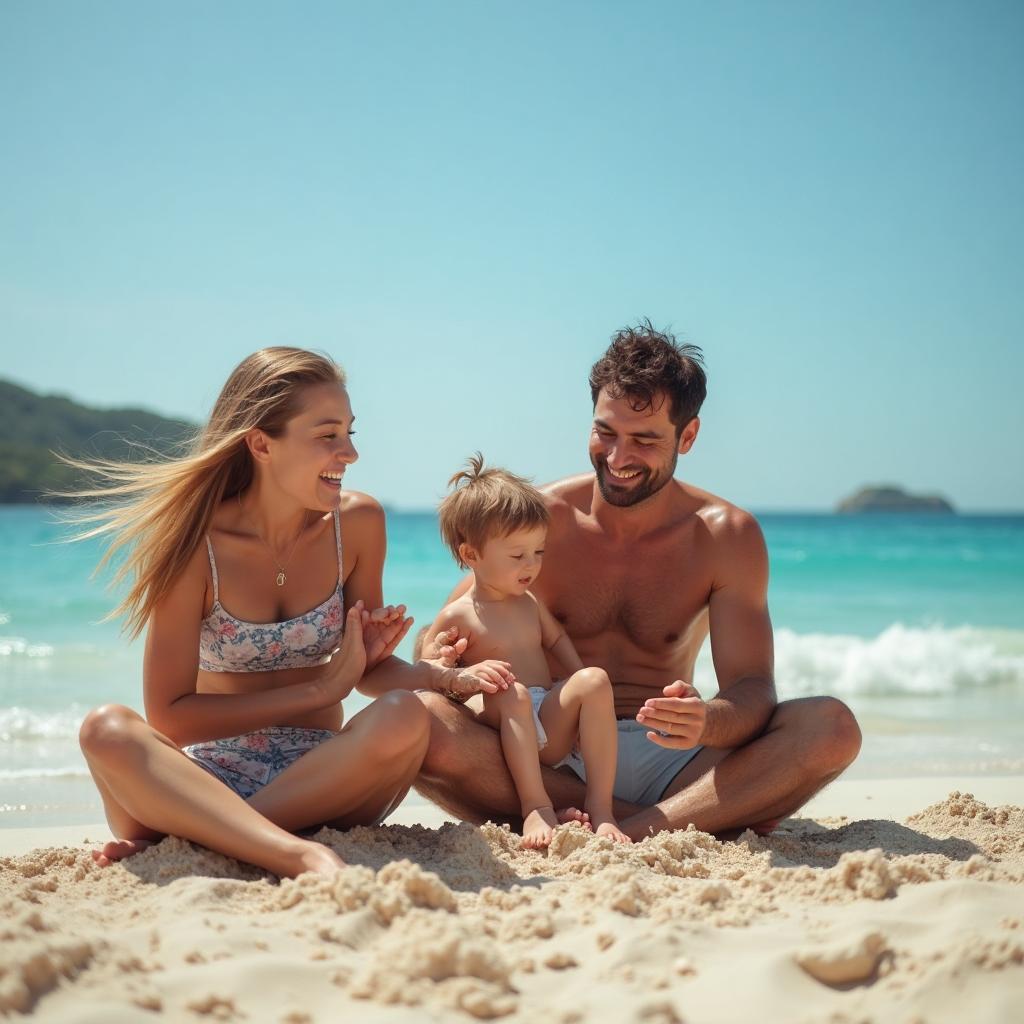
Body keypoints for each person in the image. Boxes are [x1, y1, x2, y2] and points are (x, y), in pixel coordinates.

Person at [412, 322, 862, 841]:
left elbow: (754, 689)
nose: (618, 457)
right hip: (554, 757)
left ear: (687, 436)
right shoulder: (540, 521)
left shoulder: (725, 536)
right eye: (606, 432)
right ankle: (680, 818)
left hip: (672, 761)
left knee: (831, 727)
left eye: (645, 440)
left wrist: (706, 720)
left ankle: (633, 823)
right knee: (421, 719)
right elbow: (446, 633)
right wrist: (442, 659)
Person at [72, 347, 438, 878]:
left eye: (350, 434)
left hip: (325, 775)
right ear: (262, 444)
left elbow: (371, 678)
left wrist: (421, 671)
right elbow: (170, 718)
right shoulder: (195, 545)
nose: (349, 453)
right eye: (327, 435)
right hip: (203, 778)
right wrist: (319, 691)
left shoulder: (357, 524)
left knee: (406, 713)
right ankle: (291, 849)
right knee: (104, 729)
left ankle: (211, 839)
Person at [429, 454, 631, 849]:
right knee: (511, 690)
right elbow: (434, 672)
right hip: (502, 722)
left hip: (546, 722)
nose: (531, 565)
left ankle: (602, 809)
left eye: (538, 552)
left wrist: (574, 681)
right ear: (471, 556)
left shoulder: (529, 602)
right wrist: (452, 672)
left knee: (594, 680)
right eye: (518, 555)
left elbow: (556, 641)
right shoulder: (460, 614)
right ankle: (535, 807)